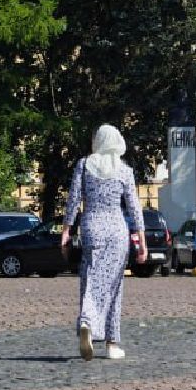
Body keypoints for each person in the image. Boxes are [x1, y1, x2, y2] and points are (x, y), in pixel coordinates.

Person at [60, 124, 145, 360]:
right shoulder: (124, 170)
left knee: (90, 277)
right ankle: (112, 343)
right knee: (114, 285)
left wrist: (66, 230)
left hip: (92, 226)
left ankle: (87, 321)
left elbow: (74, 199)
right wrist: (142, 242)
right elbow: (134, 208)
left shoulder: (84, 165)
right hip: (117, 230)